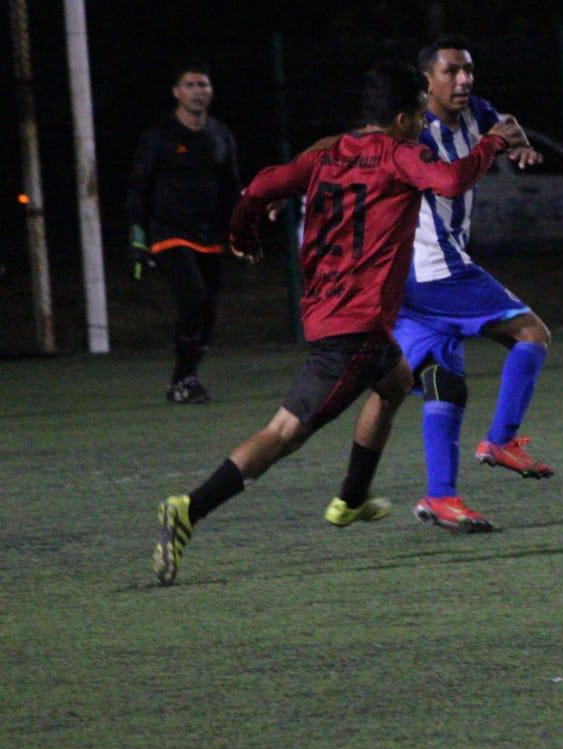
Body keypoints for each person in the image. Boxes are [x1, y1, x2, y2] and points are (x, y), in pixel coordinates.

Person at [152, 62, 528, 585]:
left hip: (337, 314)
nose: (425, 123)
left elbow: (262, 184)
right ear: (400, 119)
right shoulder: (401, 154)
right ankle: (189, 509)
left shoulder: (329, 151)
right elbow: (449, 180)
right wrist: (490, 145)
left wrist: (244, 230)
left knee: (396, 380)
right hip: (353, 325)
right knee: (284, 433)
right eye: (419, 114)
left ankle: (351, 497)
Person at [392, 35, 553, 535]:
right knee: (533, 335)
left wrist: (520, 143)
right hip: (436, 268)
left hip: (410, 280)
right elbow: (450, 181)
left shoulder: (477, 110)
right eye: (451, 72)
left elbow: (507, 125)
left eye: (468, 70)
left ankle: (440, 498)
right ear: (427, 80)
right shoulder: (414, 129)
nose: (463, 80)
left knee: (446, 385)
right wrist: (497, 145)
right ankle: (500, 440)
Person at [127, 61, 241, 403]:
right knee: (192, 299)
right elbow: (138, 187)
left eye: (203, 85)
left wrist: (245, 225)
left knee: (208, 309)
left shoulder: (221, 135)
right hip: (170, 233)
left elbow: (232, 188)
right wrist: (137, 238)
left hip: (209, 236)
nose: (198, 91)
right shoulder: (159, 136)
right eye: (190, 85)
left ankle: (186, 378)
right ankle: (183, 378)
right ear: (177, 92)